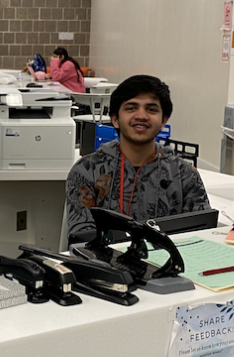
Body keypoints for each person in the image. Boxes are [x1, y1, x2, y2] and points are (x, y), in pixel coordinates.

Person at [65, 75, 210, 240]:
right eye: (131, 108)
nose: (141, 115)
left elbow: (201, 235)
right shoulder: (87, 171)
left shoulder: (185, 174)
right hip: (105, 263)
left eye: (151, 109)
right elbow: (83, 239)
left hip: (171, 262)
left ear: (163, 121)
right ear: (115, 119)